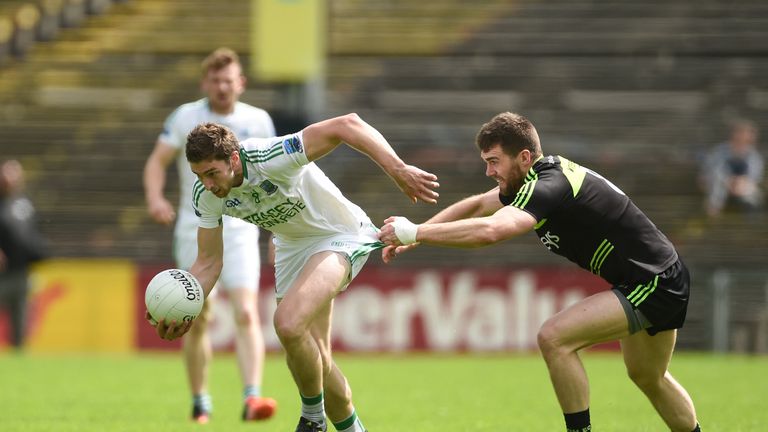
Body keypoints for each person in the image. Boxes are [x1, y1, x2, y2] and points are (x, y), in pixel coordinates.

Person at [379, 112, 701, 432]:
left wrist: (416, 233)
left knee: (554, 338)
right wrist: (416, 237)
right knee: (648, 376)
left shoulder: (550, 185)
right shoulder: (533, 179)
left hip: (653, 280)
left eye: (494, 161)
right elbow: (477, 205)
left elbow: (491, 231)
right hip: (653, 275)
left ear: (523, 157)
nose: (489, 171)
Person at [149, 114, 439, 432]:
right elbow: (207, 263)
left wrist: (398, 169)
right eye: (198, 175)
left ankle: (312, 420)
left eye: (212, 173)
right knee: (317, 361)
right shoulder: (205, 194)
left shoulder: (269, 156)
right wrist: (187, 307)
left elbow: (347, 125)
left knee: (287, 323)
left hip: (339, 232)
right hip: (291, 247)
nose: (206, 183)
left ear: (233, 158)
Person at [142, 47, 277, 423]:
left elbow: (273, 179)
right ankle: (200, 400)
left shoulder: (259, 120)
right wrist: (155, 198)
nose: (222, 87)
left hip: (242, 228)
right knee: (198, 315)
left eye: (228, 80)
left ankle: (252, 398)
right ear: (205, 83)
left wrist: (276, 234)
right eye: (215, 80)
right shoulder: (186, 116)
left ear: (241, 83)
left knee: (248, 312)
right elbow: (157, 160)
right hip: (196, 225)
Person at [0, 160, 48, 350]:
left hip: (21, 271)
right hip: (2, 274)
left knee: (20, 319)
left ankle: (19, 355)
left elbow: (31, 233)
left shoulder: (24, 204)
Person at [699, 119, 764, 218]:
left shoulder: (754, 156)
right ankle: (713, 211)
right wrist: (729, 181)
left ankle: (751, 218)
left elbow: (754, 176)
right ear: (734, 136)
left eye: (747, 139)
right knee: (717, 178)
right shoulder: (720, 152)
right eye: (740, 136)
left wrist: (741, 182)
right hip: (720, 187)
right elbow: (711, 171)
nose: (742, 141)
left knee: (754, 195)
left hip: (742, 188)